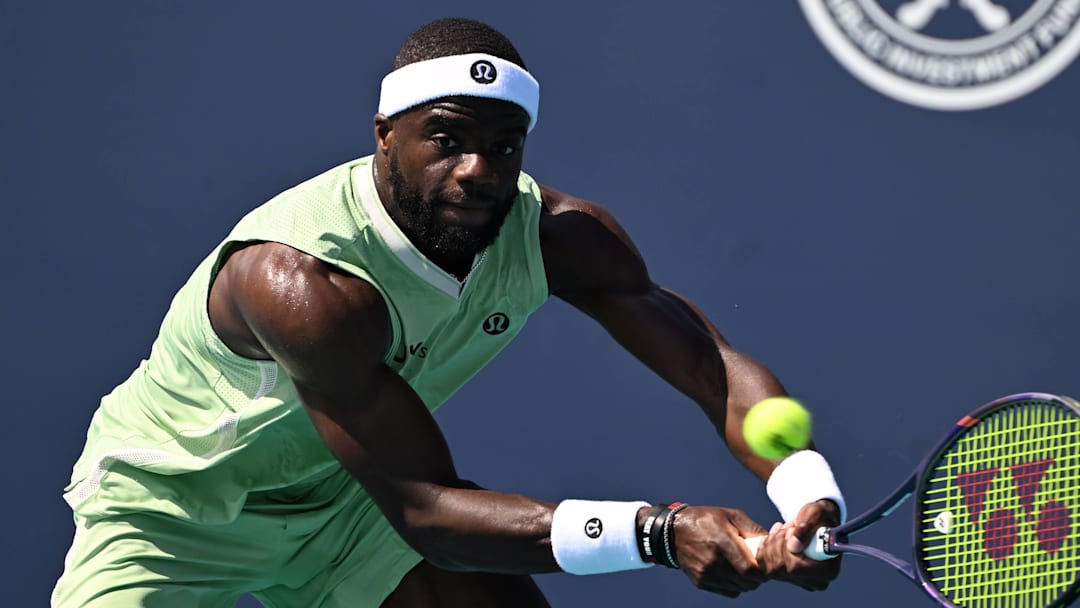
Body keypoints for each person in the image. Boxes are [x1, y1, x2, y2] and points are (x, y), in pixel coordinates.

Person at [53, 17, 846, 607]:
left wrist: (807, 490)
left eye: (504, 145)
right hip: (169, 515)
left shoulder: (559, 237)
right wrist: (659, 533)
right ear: (384, 135)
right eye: (446, 139)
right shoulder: (300, 282)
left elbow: (711, 370)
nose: (477, 170)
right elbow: (426, 509)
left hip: (342, 507)